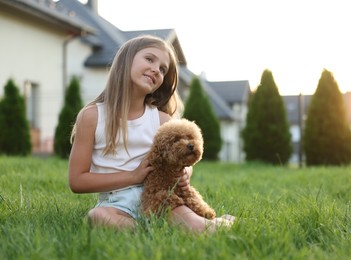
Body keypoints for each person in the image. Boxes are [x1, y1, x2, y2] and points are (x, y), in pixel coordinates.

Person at [68, 35, 234, 232]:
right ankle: (150, 229)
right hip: (116, 204)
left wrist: (186, 173)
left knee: (198, 228)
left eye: (163, 69)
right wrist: (133, 176)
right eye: (149, 59)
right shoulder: (92, 116)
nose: (156, 69)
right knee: (96, 217)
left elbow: (181, 161)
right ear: (125, 61)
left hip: (161, 196)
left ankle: (213, 225)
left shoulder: (162, 120)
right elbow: (77, 181)